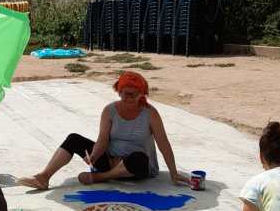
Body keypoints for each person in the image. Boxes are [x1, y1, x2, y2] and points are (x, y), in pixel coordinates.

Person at [19, 71, 188, 191]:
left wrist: (173, 172)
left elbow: (163, 143)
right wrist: (93, 157)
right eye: (125, 94)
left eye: (134, 95)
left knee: (139, 158)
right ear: (119, 92)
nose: (129, 98)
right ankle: (43, 177)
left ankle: (99, 177)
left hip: (134, 167)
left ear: (142, 95)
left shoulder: (150, 113)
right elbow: (102, 140)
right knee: (73, 139)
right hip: (110, 160)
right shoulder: (110, 110)